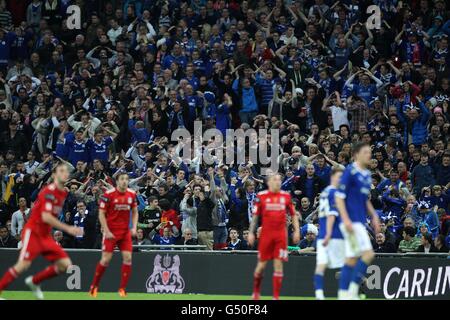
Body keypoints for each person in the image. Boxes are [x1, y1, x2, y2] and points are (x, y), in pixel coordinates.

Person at [0, 163, 83, 299]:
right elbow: (46, 216)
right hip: (32, 232)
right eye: (61, 171)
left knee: (65, 264)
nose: (64, 173)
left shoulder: (62, 194)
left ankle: (34, 281)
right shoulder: (49, 191)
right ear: (54, 175)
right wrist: (68, 228)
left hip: (45, 235)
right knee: (23, 264)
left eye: (66, 171)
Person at [335, 142, 380, 300]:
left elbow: (364, 199)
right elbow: (339, 197)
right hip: (351, 222)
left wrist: (374, 215)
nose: (369, 155)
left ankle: (344, 294)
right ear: (357, 154)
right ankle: (351, 291)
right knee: (367, 254)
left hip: (360, 221)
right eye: (366, 152)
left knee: (352, 258)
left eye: (370, 152)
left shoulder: (367, 175)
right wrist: (345, 219)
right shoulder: (350, 171)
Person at [247, 174, 300, 300]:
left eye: (279, 180)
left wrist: (297, 230)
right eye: (275, 180)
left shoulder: (286, 196)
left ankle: (275, 297)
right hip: (266, 235)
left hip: (281, 235)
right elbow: (255, 217)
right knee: (261, 265)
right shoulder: (261, 196)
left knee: (278, 265)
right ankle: (256, 293)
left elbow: (293, 215)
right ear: (269, 182)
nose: (278, 182)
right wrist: (250, 232)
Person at [89, 172, 138, 298]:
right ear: (117, 181)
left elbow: (135, 212)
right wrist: (106, 230)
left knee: (128, 258)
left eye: (126, 179)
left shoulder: (132, 194)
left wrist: (133, 227)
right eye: (122, 179)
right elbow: (101, 214)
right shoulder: (108, 195)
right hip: (111, 231)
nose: (124, 181)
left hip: (125, 232)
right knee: (105, 260)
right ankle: (94, 286)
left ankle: (122, 289)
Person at [314, 166, 345, 300]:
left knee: (321, 265)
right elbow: (332, 215)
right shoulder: (334, 193)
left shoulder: (325, 192)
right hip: (334, 235)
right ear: (333, 177)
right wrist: (328, 234)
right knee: (345, 266)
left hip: (323, 235)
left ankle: (319, 295)